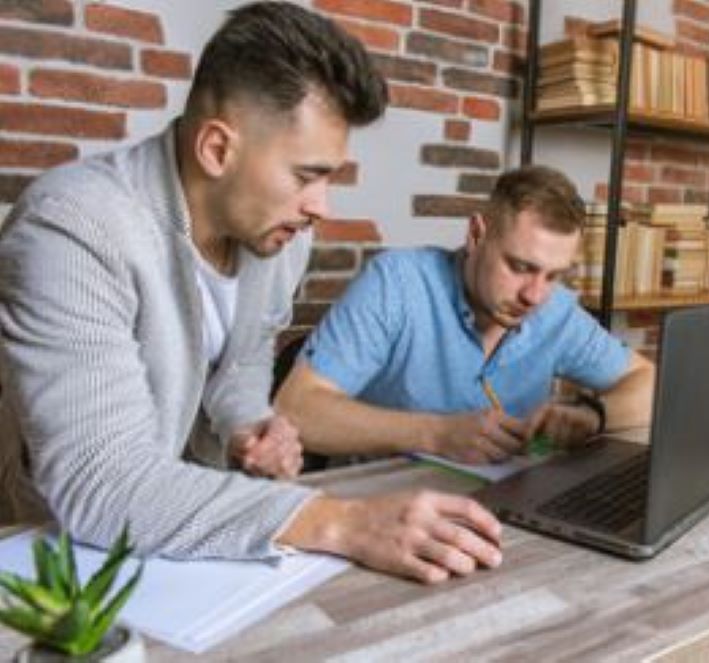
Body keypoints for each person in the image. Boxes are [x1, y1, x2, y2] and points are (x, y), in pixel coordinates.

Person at [0, 1, 502, 585]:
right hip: (51, 558)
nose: (322, 206)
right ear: (217, 149)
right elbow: (102, 480)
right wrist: (339, 521)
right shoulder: (71, 227)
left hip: (182, 542)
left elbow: (241, 361)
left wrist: (247, 423)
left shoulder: (277, 236)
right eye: (307, 175)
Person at [275, 166, 655, 464]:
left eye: (553, 275)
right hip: (378, 506)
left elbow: (647, 382)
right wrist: (436, 434)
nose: (535, 295)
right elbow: (297, 409)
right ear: (476, 235)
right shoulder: (396, 283)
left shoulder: (554, 310)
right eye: (520, 266)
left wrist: (594, 416)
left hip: (503, 509)